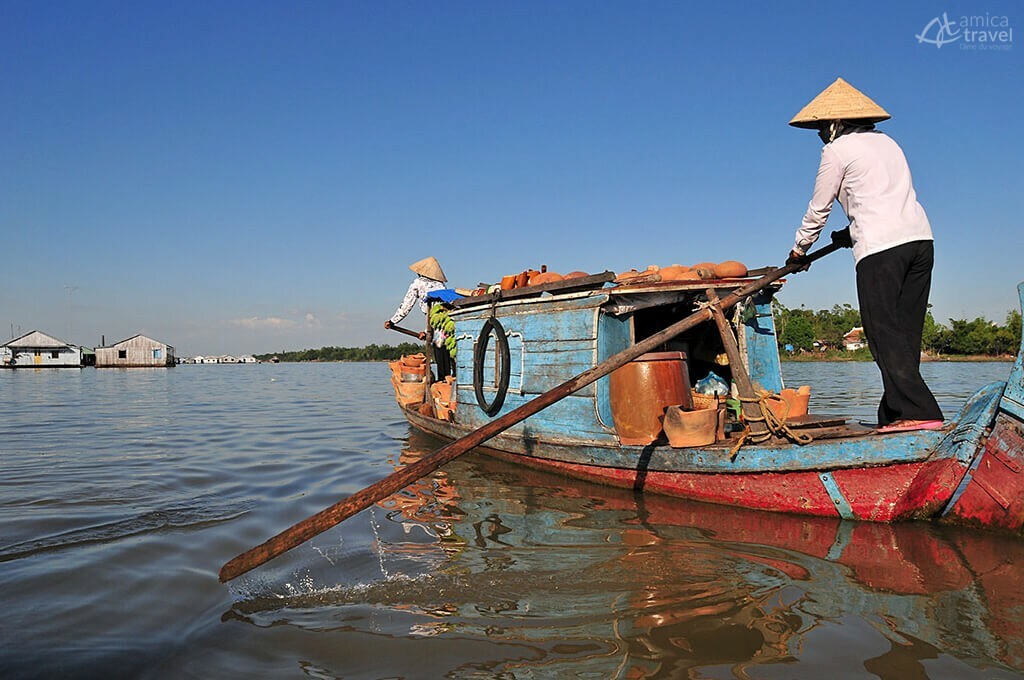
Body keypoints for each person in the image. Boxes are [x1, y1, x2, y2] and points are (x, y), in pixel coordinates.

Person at [786, 77, 943, 433]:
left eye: (822, 128)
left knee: (882, 332)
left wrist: (799, 249)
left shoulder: (836, 150)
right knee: (905, 334)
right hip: (920, 241)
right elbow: (879, 198)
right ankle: (895, 415)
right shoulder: (889, 143)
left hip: (881, 250)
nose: (820, 135)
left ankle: (920, 412)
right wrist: (847, 234)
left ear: (836, 124)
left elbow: (819, 207)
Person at [385, 256, 454, 378]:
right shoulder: (441, 285)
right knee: (448, 352)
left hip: (438, 323)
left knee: (440, 350)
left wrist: (392, 321)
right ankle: (450, 381)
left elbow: (406, 305)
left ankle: (443, 382)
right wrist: (428, 332)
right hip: (447, 321)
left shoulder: (417, 283)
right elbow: (436, 309)